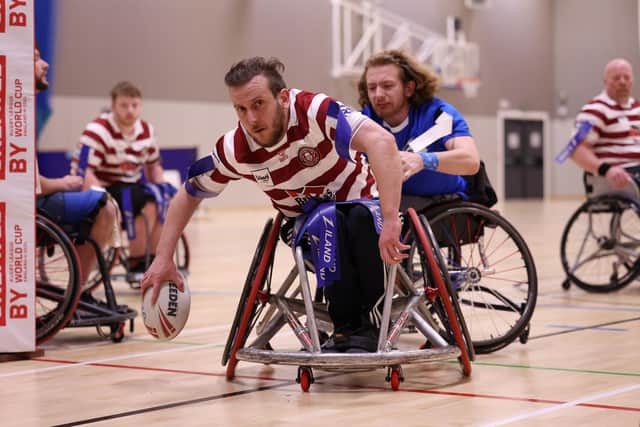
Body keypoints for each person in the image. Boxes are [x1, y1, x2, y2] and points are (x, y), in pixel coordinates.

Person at [141, 56, 408, 352]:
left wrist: (391, 218)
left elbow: (382, 143)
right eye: (240, 109)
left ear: (282, 98)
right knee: (328, 221)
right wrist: (164, 257)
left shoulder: (315, 110)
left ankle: (363, 322)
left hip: (364, 209)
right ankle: (346, 327)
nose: (251, 119)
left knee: (351, 217)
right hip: (307, 225)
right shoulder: (235, 149)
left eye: (258, 104)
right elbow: (188, 193)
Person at [35, 46, 118, 287]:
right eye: (36, 59)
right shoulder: (14, 114)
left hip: (32, 200)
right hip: (28, 206)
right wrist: (62, 183)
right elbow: (27, 184)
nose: (46, 64)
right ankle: (77, 291)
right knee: (105, 206)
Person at [70, 81, 169, 273]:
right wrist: (103, 199)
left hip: (130, 188)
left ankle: (153, 258)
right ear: (113, 105)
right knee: (138, 199)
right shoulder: (97, 130)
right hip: (101, 186)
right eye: (124, 105)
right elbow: (84, 172)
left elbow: (153, 166)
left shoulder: (147, 131)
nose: (130, 110)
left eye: (134, 105)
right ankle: (137, 260)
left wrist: (163, 189)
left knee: (161, 199)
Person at [357, 49, 480, 203]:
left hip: (442, 204)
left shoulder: (439, 115)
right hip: (387, 204)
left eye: (387, 86)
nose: (378, 95)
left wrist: (422, 160)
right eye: (372, 88)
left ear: (408, 88)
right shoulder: (361, 122)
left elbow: (471, 161)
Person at [570, 58, 640, 190]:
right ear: (605, 81)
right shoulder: (595, 110)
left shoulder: (637, 108)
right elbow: (575, 149)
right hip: (620, 176)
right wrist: (606, 170)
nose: (622, 82)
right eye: (616, 78)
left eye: (627, 77)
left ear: (633, 81)